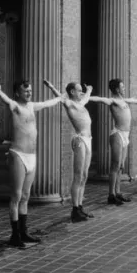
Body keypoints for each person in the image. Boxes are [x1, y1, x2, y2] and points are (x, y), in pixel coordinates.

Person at [0, 79, 63, 248]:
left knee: (25, 196)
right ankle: (14, 235)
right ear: (18, 93)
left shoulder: (31, 106)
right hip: (18, 154)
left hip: (32, 156)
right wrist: (0, 93)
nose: (29, 93)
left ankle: (24, 232)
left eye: (30, 90)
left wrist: (60, 96)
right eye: (26, 91)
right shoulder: (16, 107)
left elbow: (47, 103)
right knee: (16, 196)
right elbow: (7, 101)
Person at [44, 80, 95, 222]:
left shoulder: (81, 103)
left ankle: (80, 206)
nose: (81, 93)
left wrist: (89, 89)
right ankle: (75, 210)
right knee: (78, 175)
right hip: (80, 140)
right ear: (72, 92)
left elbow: (86, 97)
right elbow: (60, 97)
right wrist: (51, 86)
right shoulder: (69, 103)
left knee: (84, 175)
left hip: (88, 140)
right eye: (79, 90)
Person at [88, 79, 136, 205]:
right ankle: (111, 195)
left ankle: (118, 192)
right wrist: (87, 95)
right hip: (117, 134)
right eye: (122, 87)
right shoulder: (112, 100)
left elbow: (136, 100)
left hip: (126, 135)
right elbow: (99, 99)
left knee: (121, 166)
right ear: (117, 89)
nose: (124, 88)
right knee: (115, 165)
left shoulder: (124, 100)